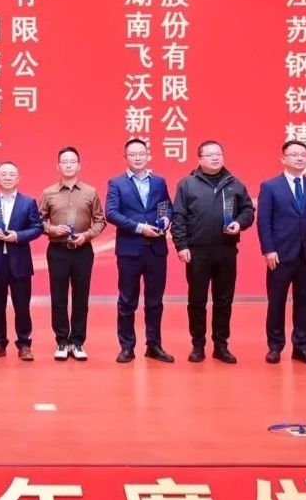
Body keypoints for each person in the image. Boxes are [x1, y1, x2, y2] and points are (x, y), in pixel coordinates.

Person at [171, 140, 255, 364]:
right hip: (197, 251)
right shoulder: (187, 184)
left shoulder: (234, 183)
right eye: (210, 155)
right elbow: (178, 216)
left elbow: (248, 210)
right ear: (199, 159)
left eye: (218, 154)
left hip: (226, 250)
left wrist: (239, 223)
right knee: (197, 300)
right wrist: (181, 245)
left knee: (223, 300)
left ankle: (221, 345)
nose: (215, 158)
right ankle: (198, 345)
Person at [257, 140, 306, 366]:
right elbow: (264, 222)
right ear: (283, 159)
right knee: (277, 302)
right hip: (280, 256)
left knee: (304, 302)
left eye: (303, 154)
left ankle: (301, 347)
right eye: (294, 154)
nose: (300, 158)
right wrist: (268, 249)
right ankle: (275, 346)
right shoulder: (270, 187)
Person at [105, 139, 175, 364]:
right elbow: (111, 213)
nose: (138, 158)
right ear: (125, 157)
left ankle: (154, 345)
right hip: (130, 250)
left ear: (148, 156)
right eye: (133, 154)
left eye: (141, 154)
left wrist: (166, 219)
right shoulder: (116, 183)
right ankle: (127, 347)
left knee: (155, 301)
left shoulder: (159, 181)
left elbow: (167, 206)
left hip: (156, 249)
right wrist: (139, 228)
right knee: (127, 300)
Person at [39, 146, 105, 361]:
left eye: (72, 161)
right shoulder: (48, 193)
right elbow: (38, 221)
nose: (68, 165)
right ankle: (61, 340)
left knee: (80, 298)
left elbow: (100, 221)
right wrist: (52, 229)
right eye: (64, 162)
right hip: (57, 251)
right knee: (58, 297)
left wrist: (85, 236)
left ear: (79, 165)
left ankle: (77, 341)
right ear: (58, 166)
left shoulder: (90, 192)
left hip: (82, 251)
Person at [0, 162, 44, 361]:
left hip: (20, 261)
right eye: (3, 174)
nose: (7, 178)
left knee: (22, 306)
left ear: (18, 178)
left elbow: (37, 228)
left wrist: (18, 236)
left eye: (11, 174)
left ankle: (24, 344)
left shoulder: (28, 202)